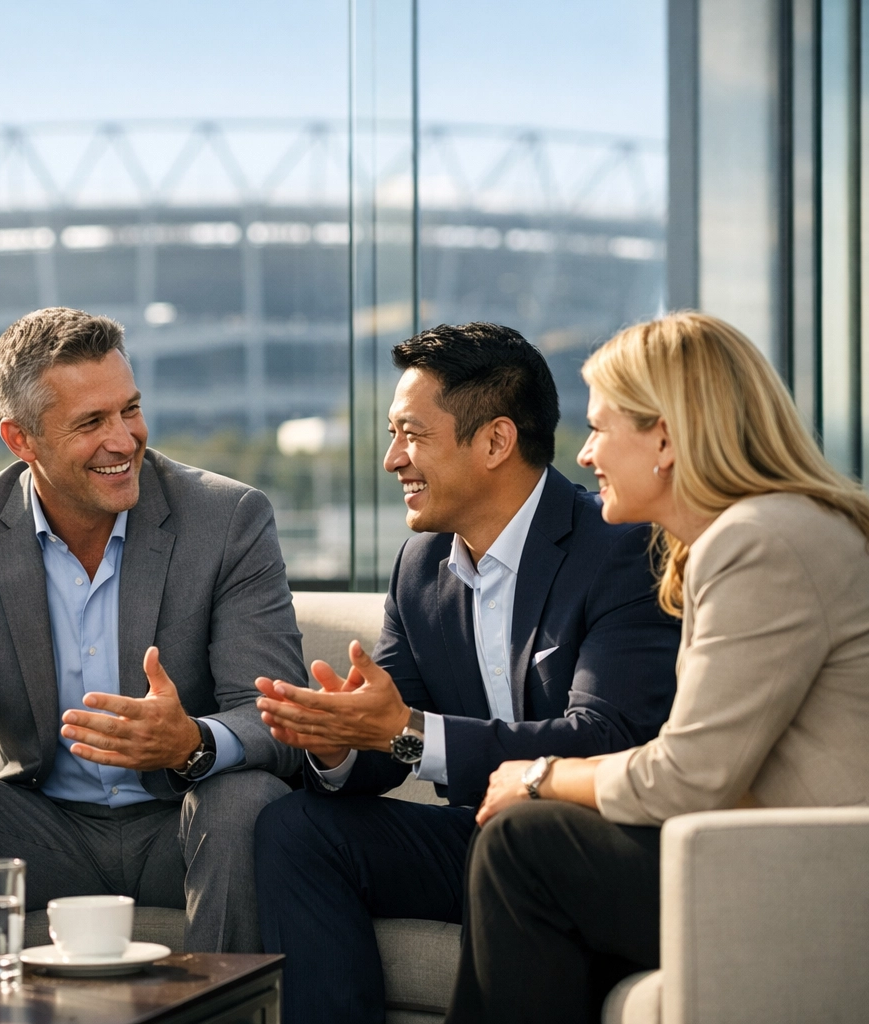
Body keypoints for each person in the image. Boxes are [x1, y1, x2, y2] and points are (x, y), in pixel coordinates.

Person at [0, 306, 304, 953]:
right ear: (20, 440)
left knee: (248, 802)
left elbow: (274, 715)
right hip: (37, 828)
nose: (125, 439)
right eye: (91, 422)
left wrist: (192, 740)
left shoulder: (227, 518)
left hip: (182, 824)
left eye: (129, 410)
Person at [252, 322, 681, 1023]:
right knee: (296, 828)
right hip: (478, 834)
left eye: (411, 434)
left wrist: (410, 732)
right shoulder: (420, 568)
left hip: (587, 846)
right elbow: (390, 744)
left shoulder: (620, 547)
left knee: (514, 844)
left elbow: (608, 734)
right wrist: (338, 741)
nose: (393, 459)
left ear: (494, 442)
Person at [446, 311, 869, 1023]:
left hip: (815, 877)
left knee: (524, 843)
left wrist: (539, 774)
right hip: (774, 853)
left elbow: (690, 777)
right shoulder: (766, 532)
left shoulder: (759, 542)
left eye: (600, 428)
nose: (583, 456)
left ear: (665, 439)